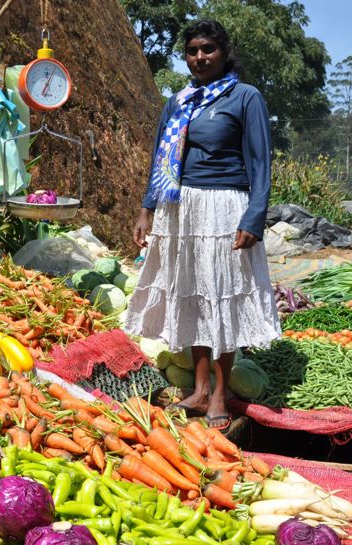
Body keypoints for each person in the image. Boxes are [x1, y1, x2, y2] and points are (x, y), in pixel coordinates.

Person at [124, 19, 281, 430]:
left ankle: (220, 393)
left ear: (224, 53)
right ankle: (197, 389)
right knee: (191, 293)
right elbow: (161, 158)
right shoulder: (179, 100)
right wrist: (147, 209)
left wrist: (254, 217)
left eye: (207, 49)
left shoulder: (245, 97)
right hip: (180, 207)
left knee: (221, 295)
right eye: (192, 51)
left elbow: (261, 163)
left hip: (224, 208)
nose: (199, 58)